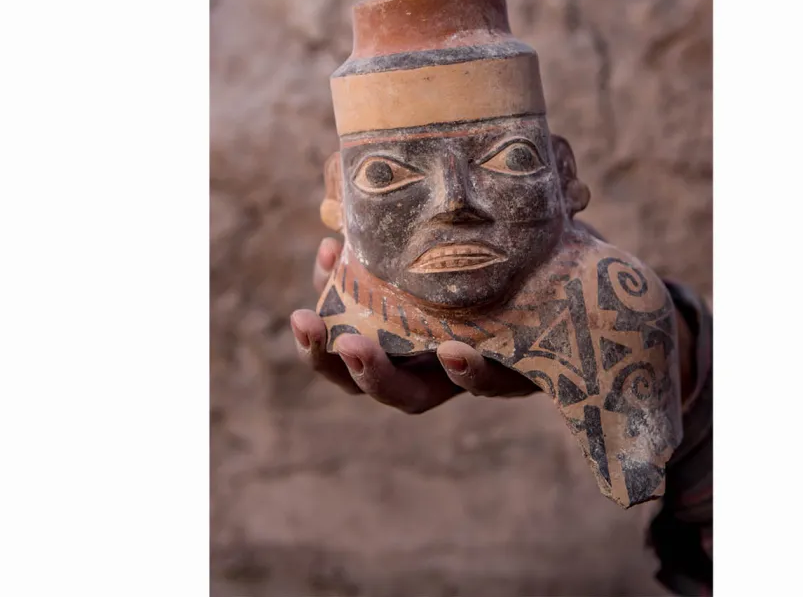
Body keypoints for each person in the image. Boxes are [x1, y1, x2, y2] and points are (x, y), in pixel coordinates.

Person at [291, 234, 714, 596]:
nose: (454, 201)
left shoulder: (607, 286)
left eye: (513, 160)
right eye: (381, 173)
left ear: (563, 177)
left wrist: (656, 344)